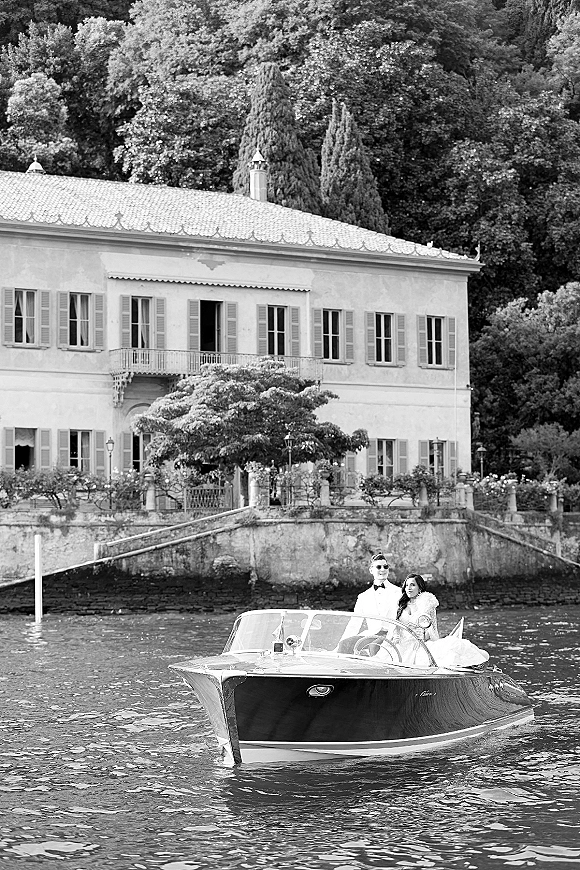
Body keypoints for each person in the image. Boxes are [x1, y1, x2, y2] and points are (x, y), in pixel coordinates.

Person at [338, 553, 401, 651]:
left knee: (374, 647)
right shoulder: (363, 597)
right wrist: (340, 644)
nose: (383, 570)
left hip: (391, 635)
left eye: (385, 567)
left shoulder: (399, 592)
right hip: (371, 635)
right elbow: (354, 624)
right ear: (371, 570)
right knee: (345, 645)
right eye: (378, 567)